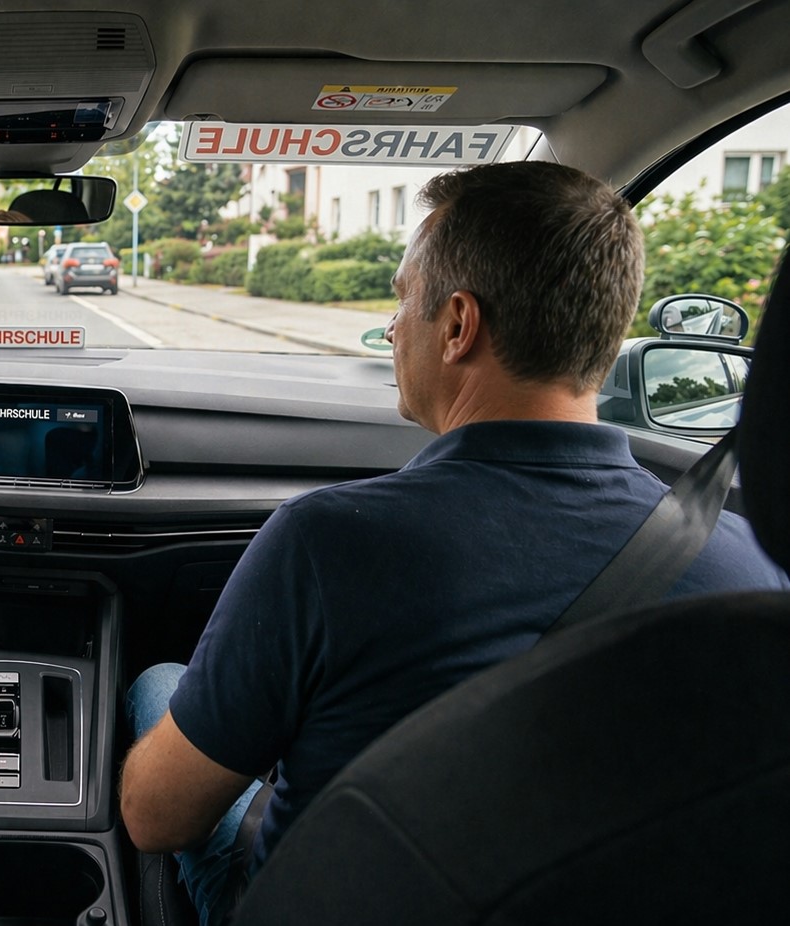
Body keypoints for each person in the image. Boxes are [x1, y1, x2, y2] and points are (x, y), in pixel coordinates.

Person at [118, 161, 789, 924]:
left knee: (162, 687)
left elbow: (157, 819)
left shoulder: (330, 541)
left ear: (459, 325)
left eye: (404, 299)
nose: (395, 325)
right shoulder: (754, 570)